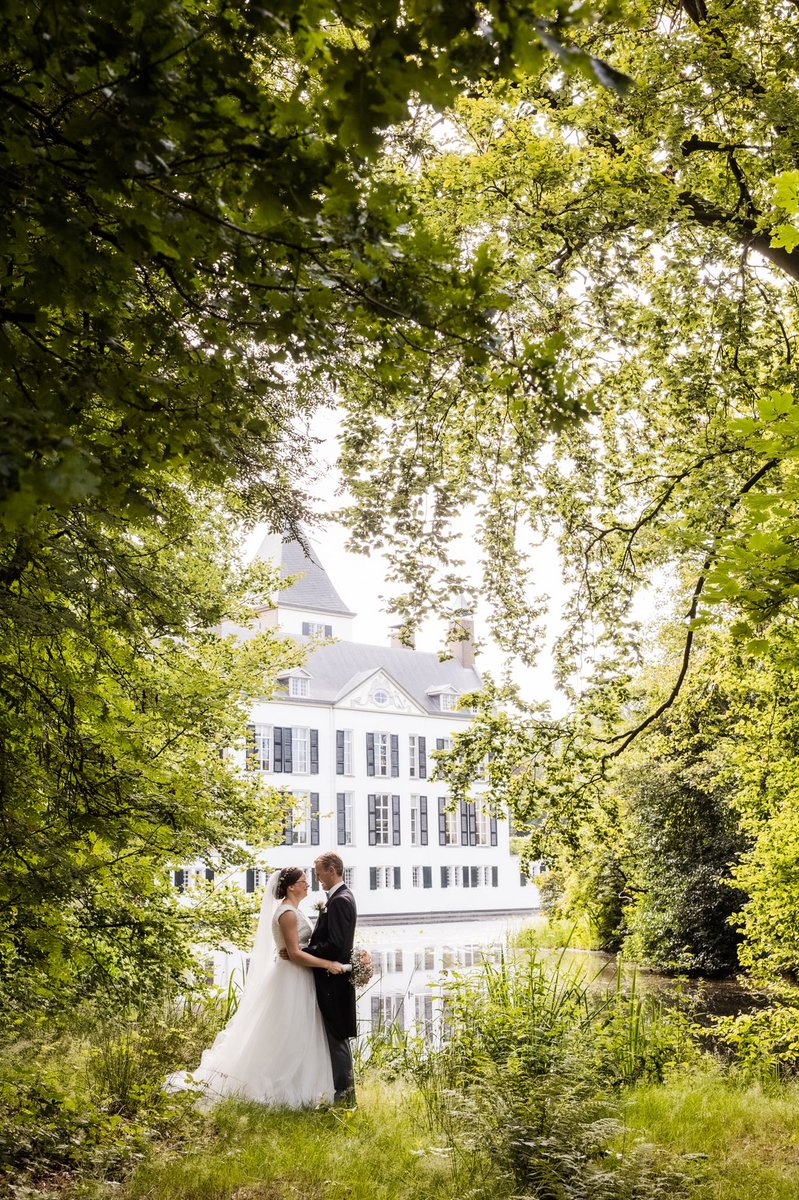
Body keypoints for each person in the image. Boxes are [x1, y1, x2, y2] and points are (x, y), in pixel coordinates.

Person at [166, 866, 346, 1107]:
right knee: (287, 1033)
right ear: (291, 886)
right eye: (303, 881)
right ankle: (281, 1087)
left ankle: (304, 1086)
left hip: (298, 976)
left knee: (298, 1032)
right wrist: (328, 964)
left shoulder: (292, 910)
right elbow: (294, 953)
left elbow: (296, 950)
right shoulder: (287, 914)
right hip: (291, 978)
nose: (308, 884)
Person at [297, 852, 358, 1106]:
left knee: (337, 1039)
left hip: (334, 982)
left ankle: (346, 1099)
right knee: (335, 1039)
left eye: (319, 873)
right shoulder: (337, 899)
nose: (317, 878)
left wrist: (301, 953)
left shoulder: (341, 900)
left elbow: (334, 945)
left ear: (332, 870)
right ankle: (342, 1095)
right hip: (331, 979)